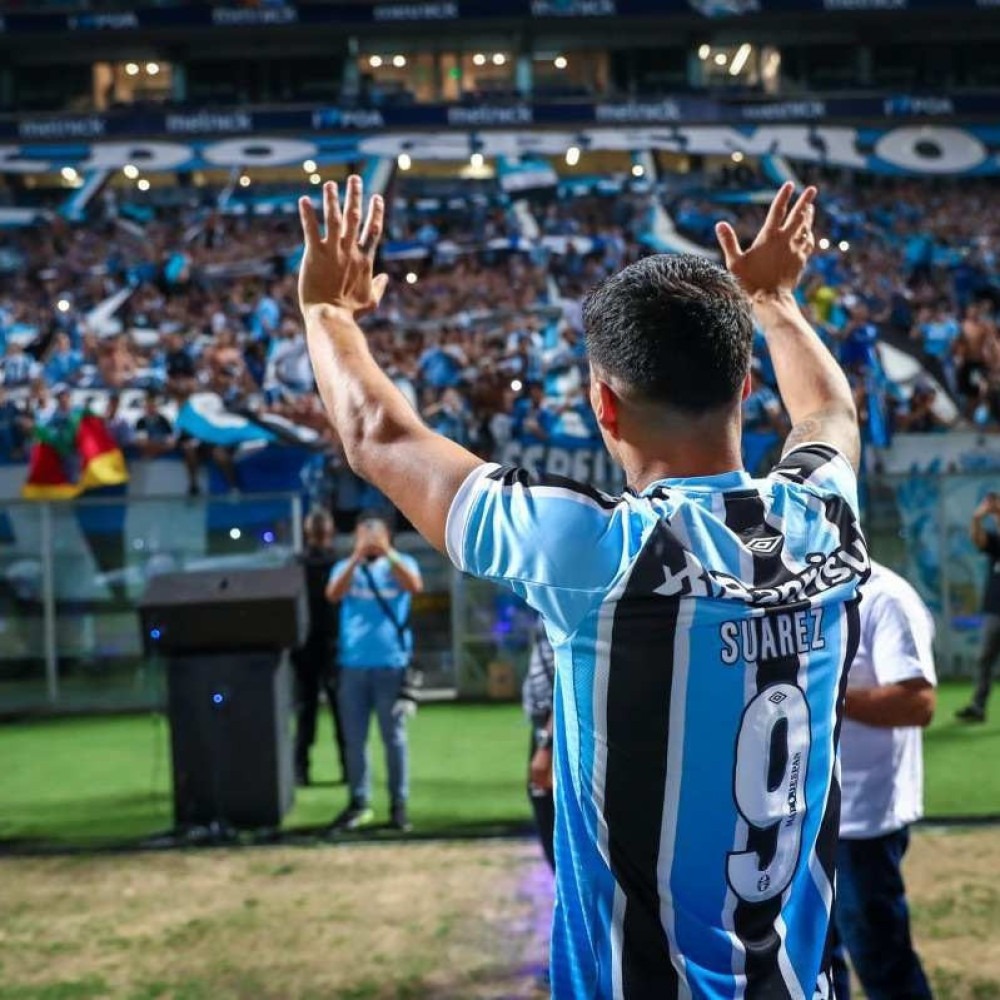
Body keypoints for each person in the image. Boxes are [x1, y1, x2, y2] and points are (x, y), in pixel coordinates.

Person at [299, 177, 867, 995]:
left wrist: (327, 311)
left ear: (604, 403)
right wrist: (773, 299)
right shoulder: (823, 515)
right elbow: (829, 416)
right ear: (747, 385)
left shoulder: (598, 549)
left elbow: (377, 433)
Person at [833, 560, 937, 999]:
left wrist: (825, 695)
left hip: (863, 818)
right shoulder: (790, 591)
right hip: (800, 816)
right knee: (811, 959)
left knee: (880, 957)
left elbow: (917, 704)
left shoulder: (885, 596)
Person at [325, 512, 423, 833]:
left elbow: (415, 586)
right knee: (354, 740)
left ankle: (399, 804)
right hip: (352, 667)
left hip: (391, 666)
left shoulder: (400, 564)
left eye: (374, 536)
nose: (367, 542)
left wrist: (387, 552)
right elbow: (333, 594)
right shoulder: (346, 568)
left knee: (393, 739)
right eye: (361, 536)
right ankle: (358, 802)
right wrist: (356, 556)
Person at [292, 508, 346, 788]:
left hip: (304, 646)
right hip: (333, 643)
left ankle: (300, 770)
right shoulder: (338, 564)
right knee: (341, 711)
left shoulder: (296, 565)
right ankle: (349, 768)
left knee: (306, 711)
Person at [956, 492, 1000, 722]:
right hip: (994, 610)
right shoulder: (995, 540)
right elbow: (979, 540)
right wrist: (976, 518)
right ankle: (978, 706)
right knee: (985, 658)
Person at [522, 617, 556, 871]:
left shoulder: (565, 591)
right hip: (546, 722)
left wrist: (547, 742)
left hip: (556, 724)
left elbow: (568, 673)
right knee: (543, 801)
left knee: (550, 808)